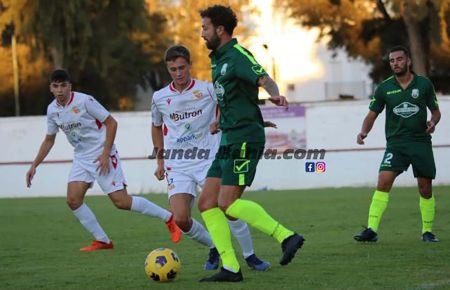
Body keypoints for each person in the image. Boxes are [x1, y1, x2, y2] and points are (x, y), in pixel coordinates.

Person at [197, 5, 304, 282]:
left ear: (220, 29)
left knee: (228, 203)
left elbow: (264, 79)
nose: (201, 33)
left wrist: (276, 96)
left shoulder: (237, 54)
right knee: (207, 202)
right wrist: (222, 119)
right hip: (230, 136)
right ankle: (231, 268)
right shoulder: (218, 59)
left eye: (205, 28)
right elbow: (235, 97)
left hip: (244, 137)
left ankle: (286, 236)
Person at [26, 69, 181, 251]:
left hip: (102, 153)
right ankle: (103, 241)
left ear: (70, 87)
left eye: (63, 86)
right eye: (55, 86)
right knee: (73, 200)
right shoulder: (52, 110)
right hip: (82, 158)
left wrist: (106, 153)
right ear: (50, 88)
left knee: (121, 202)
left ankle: (169, 218)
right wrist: (34, 165)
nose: (60, 90)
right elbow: (49, 139)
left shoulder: (85, 101)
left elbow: (111, 123)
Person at [151, 45, 270, 271]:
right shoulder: (159, 97)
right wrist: (160, 160)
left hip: (209, 160)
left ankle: (250, 255)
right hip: (177, 164)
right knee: (181, 218)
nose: (178, 73)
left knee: (228, 207)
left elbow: (232, 107)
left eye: (182, 67)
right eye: (173, 69)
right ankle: (215, 246)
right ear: (168, 70)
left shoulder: (207, 90)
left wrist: (255, 121)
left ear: (190, 65)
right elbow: (156, 127)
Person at [353, 46, 441, 243]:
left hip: (420, 142)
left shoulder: (424, 84)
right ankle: (371, 230)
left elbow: (436, 111)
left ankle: (427, 231)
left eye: (399, 59)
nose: (395, 63)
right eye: (392, 60)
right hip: (396, 144)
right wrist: (363, 132)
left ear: (408, 61)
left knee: (425, 188)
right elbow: (372, 114)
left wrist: (432, 123)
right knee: (383, 181)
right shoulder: (384, 88)